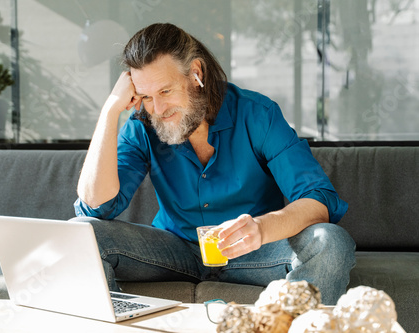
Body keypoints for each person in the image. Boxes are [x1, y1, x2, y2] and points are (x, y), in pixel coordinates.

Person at [74, 23, 355, 305]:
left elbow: (319, 199)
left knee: (330, 242)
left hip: (253, 250)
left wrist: (261, 229)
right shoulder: (142, 126)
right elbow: (96, 205)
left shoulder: (257, 114)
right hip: (174, 250)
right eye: (146, 96)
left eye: (166, 91)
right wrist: (111, 109)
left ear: (196, 73)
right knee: (84, 233)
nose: (157, 109)